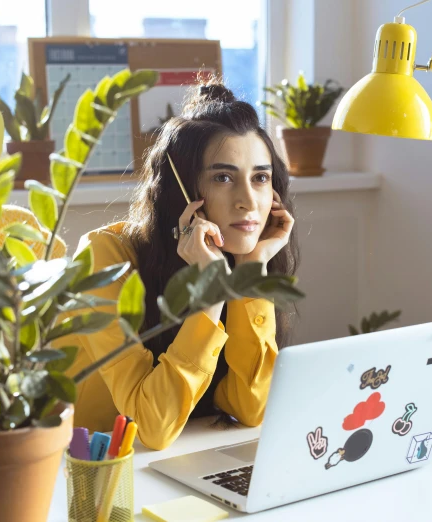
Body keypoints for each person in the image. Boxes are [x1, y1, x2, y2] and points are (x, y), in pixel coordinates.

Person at [61, 81, 300, 450]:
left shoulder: (244, 258)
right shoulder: (105, 258)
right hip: (95, 471)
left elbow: (251, 407)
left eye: (260, 178)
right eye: (223, 177)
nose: (249, 201)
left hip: (181, 460)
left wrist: (251, 270)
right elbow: (151, 426)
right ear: (183, 192)